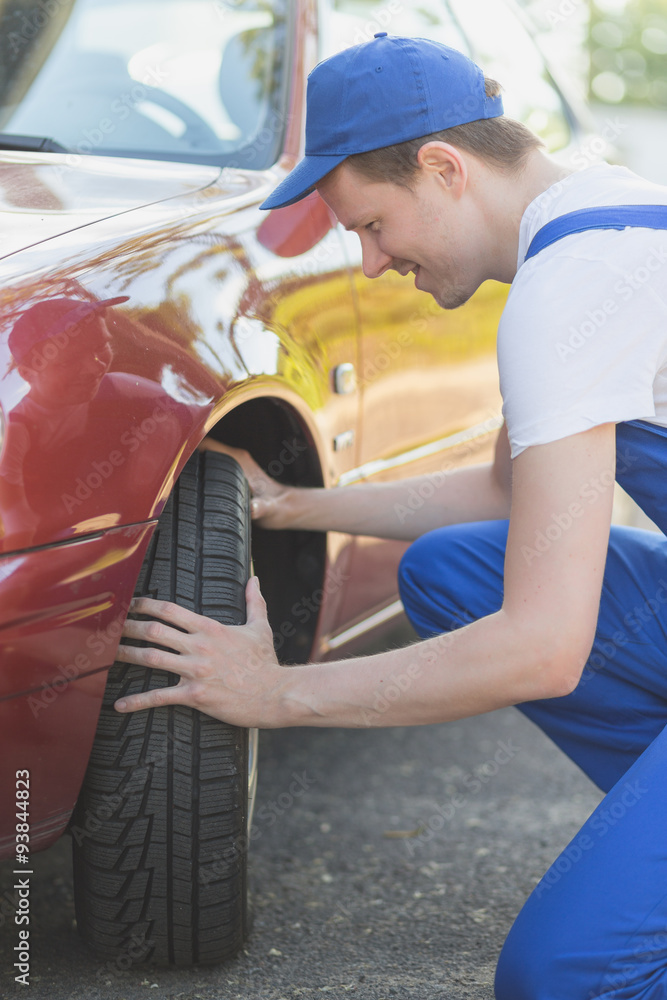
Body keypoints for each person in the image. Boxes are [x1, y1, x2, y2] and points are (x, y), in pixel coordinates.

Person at [115, 33, 667, 999]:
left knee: (565, 976)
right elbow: (506, 495)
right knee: (457, 568)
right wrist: (294, 505)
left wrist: (272, 693)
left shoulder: (569, 288)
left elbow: (542, 649)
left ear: (443, 168)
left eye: (371, 225)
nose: (370, 265)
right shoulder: (599, 219)